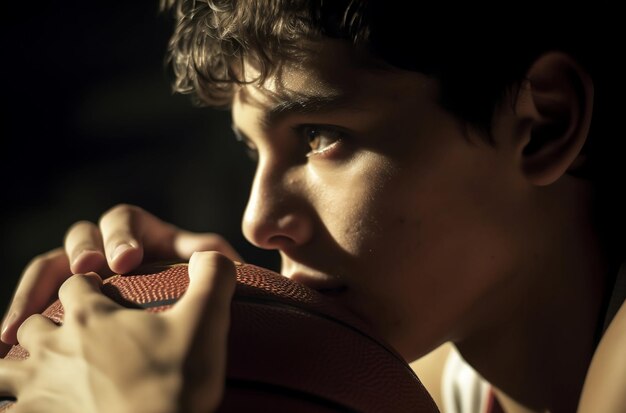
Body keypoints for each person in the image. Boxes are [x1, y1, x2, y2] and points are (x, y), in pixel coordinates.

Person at [1, 1, 624, 412]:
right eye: (253, 153)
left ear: (543, 126)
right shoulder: (428, 383)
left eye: (319, 136)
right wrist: (223, 335)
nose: (257, 221)